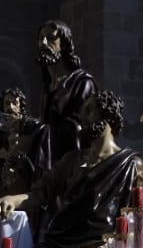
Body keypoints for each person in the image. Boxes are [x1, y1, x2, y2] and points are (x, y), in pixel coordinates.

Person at [0, 89, 143, 248]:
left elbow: (141, 216)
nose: (83, 118)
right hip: (60, 243)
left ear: (108, 117)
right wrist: (14, 200)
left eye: (89, 111)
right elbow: (41, 193)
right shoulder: (71, 160)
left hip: (97, 244)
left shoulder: (130, 165)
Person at [30, 19, 96, 170]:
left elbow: (80, 130)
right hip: (49, 165)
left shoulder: (82, 83)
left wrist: (38, 131)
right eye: (41, 38)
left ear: (64, 44)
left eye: (51, 38)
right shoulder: (48, 86)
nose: (44, 43)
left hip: (71, 166)